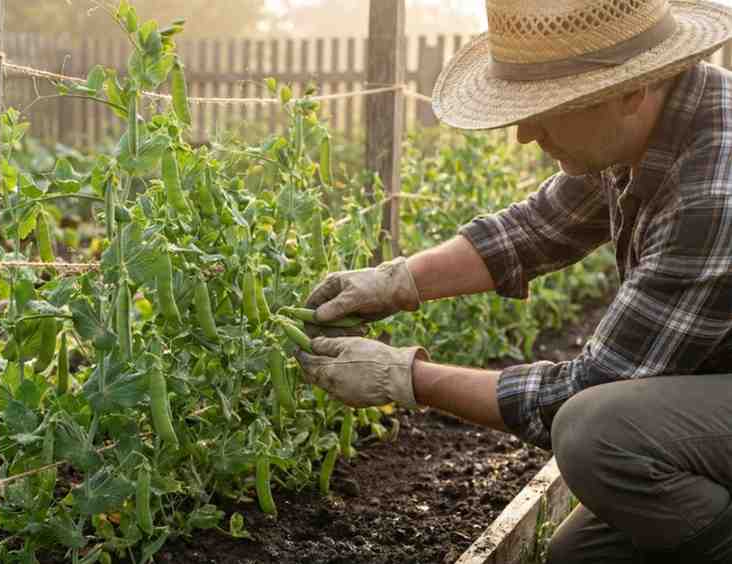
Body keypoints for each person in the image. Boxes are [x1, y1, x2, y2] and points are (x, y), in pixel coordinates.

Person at [294, 1, 732, 562]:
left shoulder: (713, 191)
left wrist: (404, 377)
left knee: (594, 433)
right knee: (580, 558)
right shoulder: (653, 123)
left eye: (549, 107)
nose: (526, 132)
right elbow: (536, 229)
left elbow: (582, 391)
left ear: (632, 90)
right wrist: (395, 281)